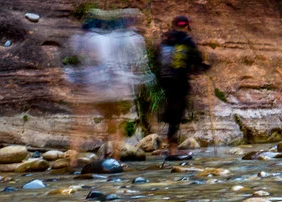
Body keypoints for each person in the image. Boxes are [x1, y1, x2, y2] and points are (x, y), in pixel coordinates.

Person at [62, 10, 144, 169]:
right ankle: (115, 159)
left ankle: (73, 160)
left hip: (89, 86)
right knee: (115, 122)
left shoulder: (78, 38)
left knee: (79, 123)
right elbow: (122, 63)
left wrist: (73, 78)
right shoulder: (112, 39)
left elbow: (70, 61)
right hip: (112, 87)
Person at [153, 17, 209, 154]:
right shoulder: (187, 42)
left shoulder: (165, 41)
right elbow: (197, 63)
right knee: (177, 115)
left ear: (173, 26)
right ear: (186, 27)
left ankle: (169, 143)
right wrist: (205, 66)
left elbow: (157, 60)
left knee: (172, 109)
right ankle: (173, 148)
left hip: (165, 81)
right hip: (180, 82)